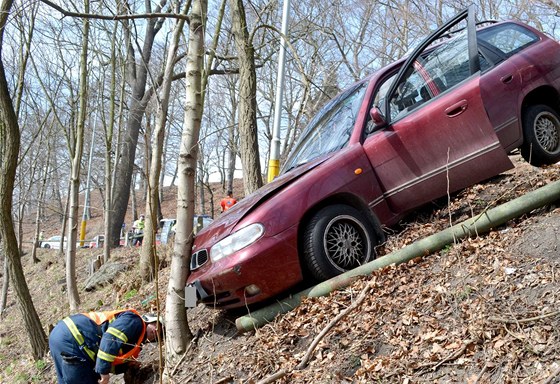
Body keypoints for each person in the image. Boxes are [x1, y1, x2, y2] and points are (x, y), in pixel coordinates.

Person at [49, 309, 163, 384]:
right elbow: (109, 339)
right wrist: (103, 371)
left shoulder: (135, 342)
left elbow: (110, 359)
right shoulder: (134, 320)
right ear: (148, 319)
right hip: (72, 336)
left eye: (159, 334)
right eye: (156, 325)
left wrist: (126, 367)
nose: (157, 331)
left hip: (65, 337)